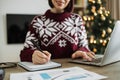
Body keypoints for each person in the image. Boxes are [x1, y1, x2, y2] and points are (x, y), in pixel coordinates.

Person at [20, 0, 95, 64]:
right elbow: (24, 53)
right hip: (47, 71)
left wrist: (81, 52)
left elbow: (84, 46)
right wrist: (32, 55)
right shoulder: (38, 21)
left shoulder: (77, 19)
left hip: (74, 69)